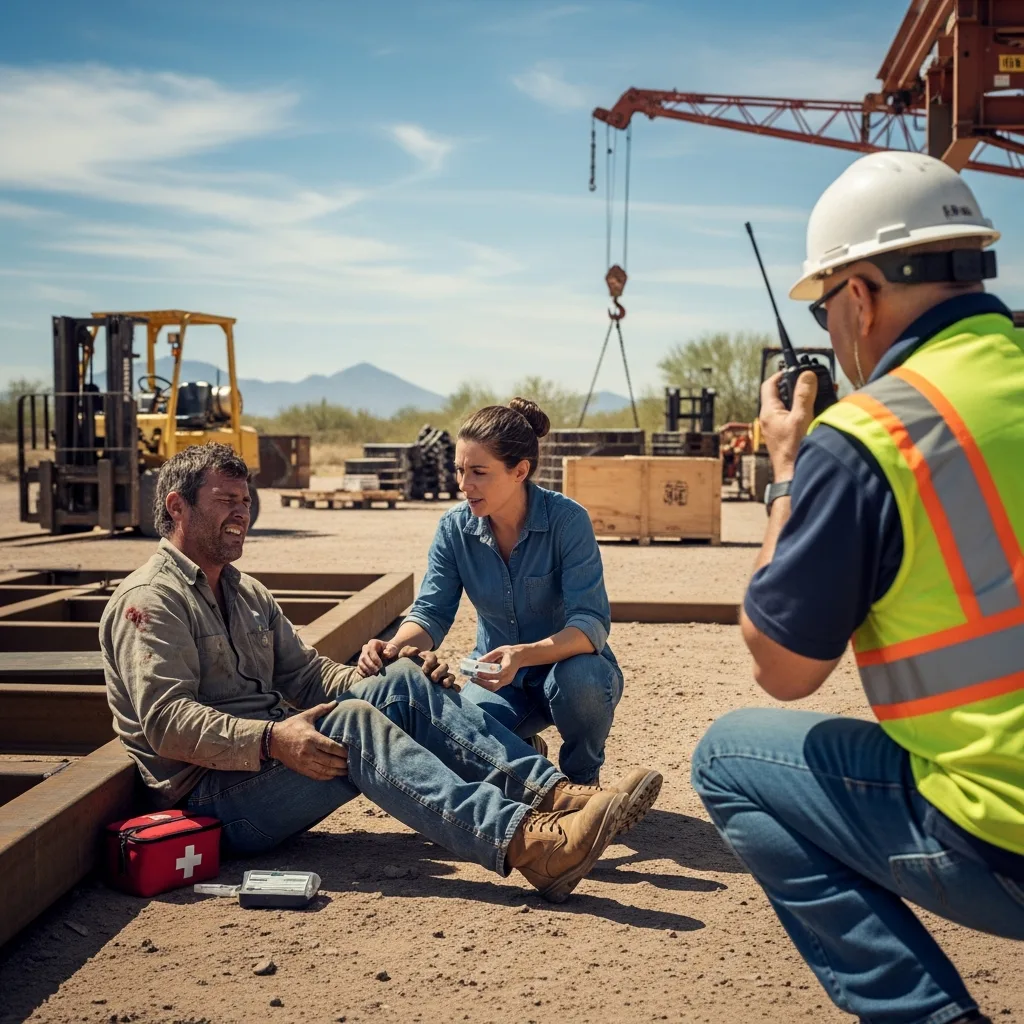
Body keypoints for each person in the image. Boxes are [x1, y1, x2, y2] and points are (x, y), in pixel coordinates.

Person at [691, 150, 1023, 1023]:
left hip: (1004, 833)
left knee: (728, 758)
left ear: (862, 295)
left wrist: (789, 473)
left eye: (827, 305)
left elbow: (784, 666)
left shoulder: (873, 436)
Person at [100, 444, 653, 904]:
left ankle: (557, 797)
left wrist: (393, 667)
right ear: (177, 506)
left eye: (245, 502)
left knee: (401, 683)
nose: (241, 514)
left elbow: (310, 677)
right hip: (215, 800)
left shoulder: (245, 593)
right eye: (225, 502)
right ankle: (530, 845)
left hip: (274, 763)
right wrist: (273, 738)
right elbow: (166, 724)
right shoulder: (151, 601)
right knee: (355, 724)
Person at [358, 398, 661, 825]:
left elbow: (590, 625)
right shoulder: (453, 528)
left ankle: (581, 782)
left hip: (569, 671)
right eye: (461, 470)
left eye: (479, 472)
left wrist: (522, 653)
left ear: (520, 471)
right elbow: (431, 612)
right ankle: (525, 757)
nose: (465, 484)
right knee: (460, 743)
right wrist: (392, 648)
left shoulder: (567, 521)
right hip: (501, 682)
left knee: (582, 679)